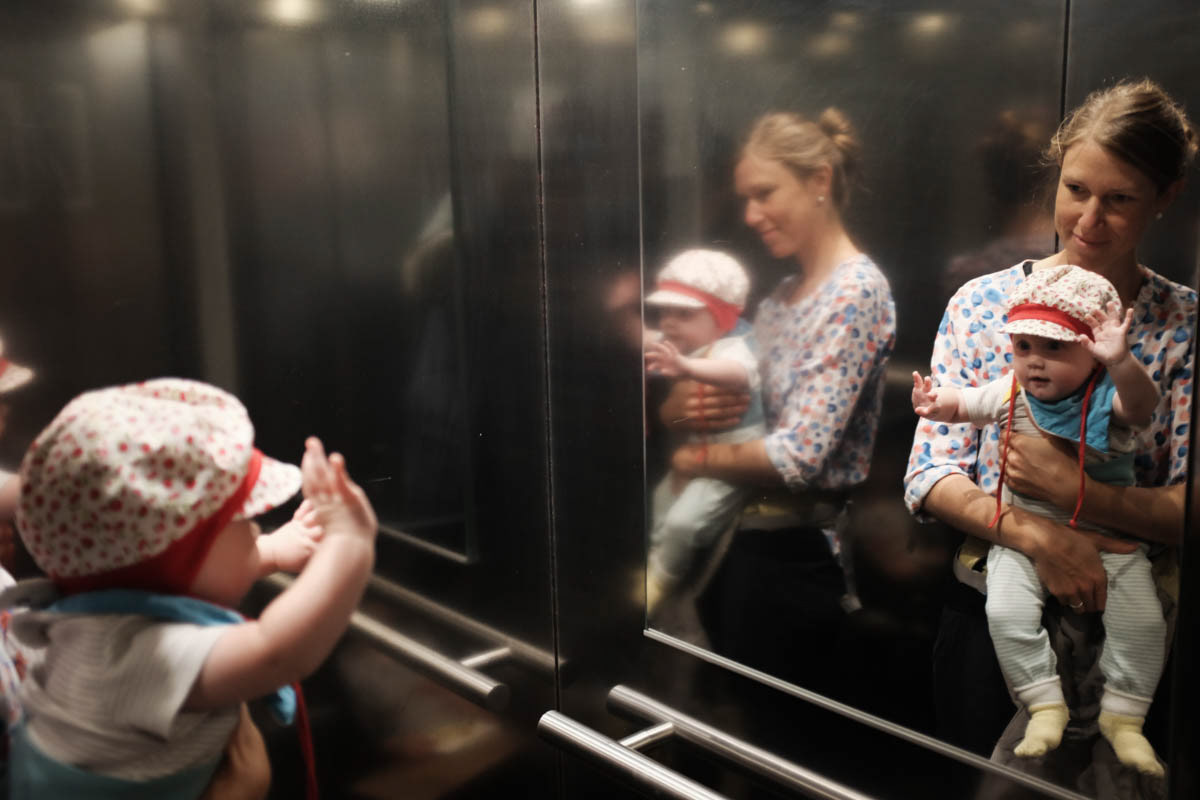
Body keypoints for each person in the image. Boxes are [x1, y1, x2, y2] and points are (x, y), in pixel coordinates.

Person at [904, 78, 1197, 778]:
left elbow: (1189, 508)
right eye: (1075, 190)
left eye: (1120, 198)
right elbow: (930, 471)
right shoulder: (983, 304)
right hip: (990, 613)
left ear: (1165, 198)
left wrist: (1076, 490)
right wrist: (1040, 536)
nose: (1089, 220)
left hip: (1132, 626)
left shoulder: (1182, 327)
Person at [0, 377, 378, 798]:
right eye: (240, 521)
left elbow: (179, 582)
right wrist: (351, 544)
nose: (255, 527)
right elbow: (277, 653)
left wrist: (268, 550)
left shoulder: (93, 609)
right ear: (175, 559)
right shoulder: (135, 654)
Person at [662, 109, 895, 687]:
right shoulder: (781, 297)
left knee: (768, 739)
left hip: (788, 555)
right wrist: (678, 410)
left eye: (764, 193)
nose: (750, 214)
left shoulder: (855, 290)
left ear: (819, 181)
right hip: (733, 543)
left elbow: (800, 455)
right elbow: (706, 398)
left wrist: (695, 457)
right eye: (746, 197)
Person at [912, 265, 1165, 774]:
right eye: (1024, 346)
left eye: (1054, 349)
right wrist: (937, 403)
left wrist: (1121, 362)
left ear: (1091, 350)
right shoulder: (1009, 390)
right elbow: (966, 404)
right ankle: (1043, 703)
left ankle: (1125, 717)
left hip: (1109, 542)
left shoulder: (1102, 400)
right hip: (1022, 542)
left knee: (1143, 621)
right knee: (1005, 613)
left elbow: (1142, 407)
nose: (1035, 362)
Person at [643, 249, 765, 615]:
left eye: (684, 313)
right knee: (662, 501)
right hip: (699, 455)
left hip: (735, 459)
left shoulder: (737, 344)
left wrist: (685, 366)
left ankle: (661, 579)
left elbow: (741, 374)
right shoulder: (694, 345)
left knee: (684, 522)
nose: (670, 323)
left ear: (723, 315)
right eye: (665, 312)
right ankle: (660, 556)